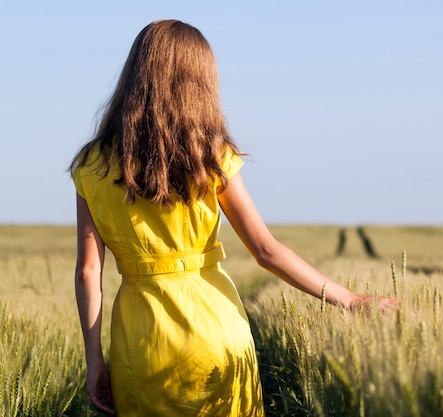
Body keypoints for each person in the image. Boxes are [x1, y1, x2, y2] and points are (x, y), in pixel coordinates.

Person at [70, 19, 398, 417]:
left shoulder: (91, 166)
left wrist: (95, 362)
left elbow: (89, 272)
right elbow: (265, 250)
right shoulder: (210, 157)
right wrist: (351, 300)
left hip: (141, 341)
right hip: (216, 332)